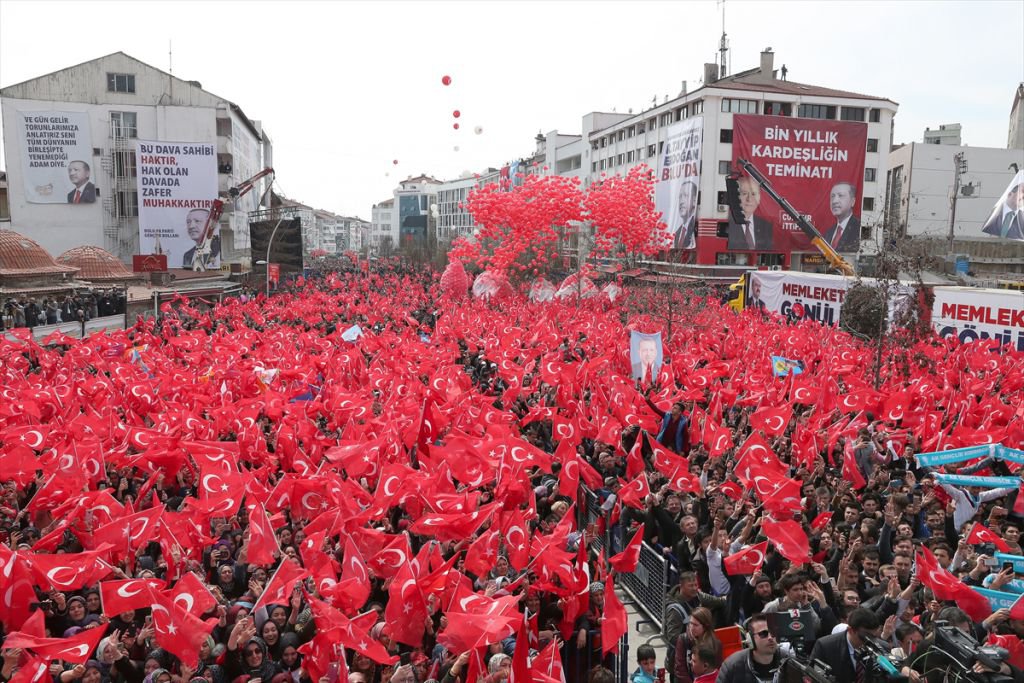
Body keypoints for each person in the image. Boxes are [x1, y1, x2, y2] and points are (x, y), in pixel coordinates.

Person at [808, 607, 881, 682]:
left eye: (873, 637)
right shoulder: (825, 647)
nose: (869, 642)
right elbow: (813, 678)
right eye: (865, 637)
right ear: (851, 630)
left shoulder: (878, 648)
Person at [716, 614, 783, 683]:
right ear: (750, 639)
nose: (770, 638)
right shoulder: (733, 665)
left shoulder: (788, 661)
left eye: (773, 632)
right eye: (763, 633)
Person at [726, 177, 773, 251]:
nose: (749, 199)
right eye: (744, 193)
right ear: (737, 196)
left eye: (753, 194)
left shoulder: (766, 226)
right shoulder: (728, 222)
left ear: (759, 198)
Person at [822, 182, 861, 252]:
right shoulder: (828, 233)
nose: (834, 201)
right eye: (832, 196)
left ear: (852, 202)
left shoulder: (859, 228)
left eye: (840, 195)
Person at [675, 182, 698, 250]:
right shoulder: (677, 232)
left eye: (685, 196)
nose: (681, 201)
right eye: (680, 197)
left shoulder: (695, 227)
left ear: (694, 200)